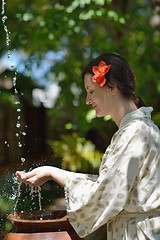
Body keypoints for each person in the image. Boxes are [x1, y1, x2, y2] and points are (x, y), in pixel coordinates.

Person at [16, 52, 160, 240]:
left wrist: (53, 173)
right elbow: (107, 185)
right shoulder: (139, 130)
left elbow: (101, 198)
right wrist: (52, 172)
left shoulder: (136, 134)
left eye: (91, 91)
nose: (87, 100)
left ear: (111, 86)